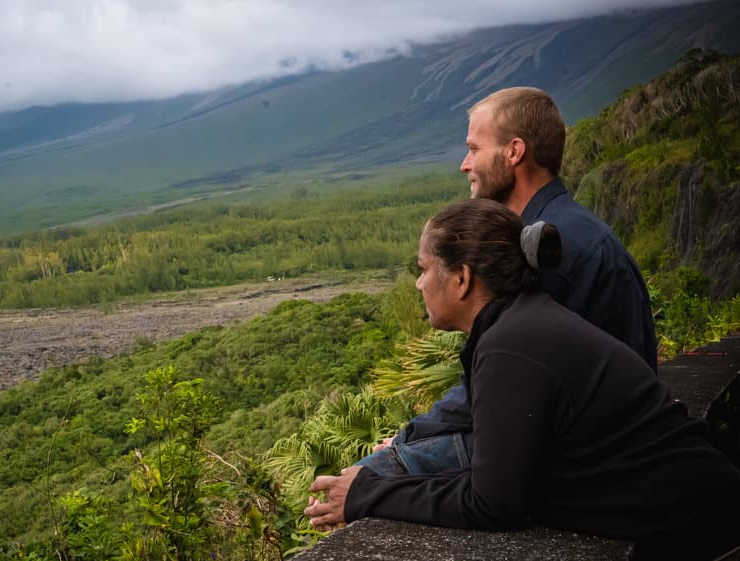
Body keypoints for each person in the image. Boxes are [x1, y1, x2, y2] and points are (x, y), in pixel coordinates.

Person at [305, 199, 740, 560]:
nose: (418, 283)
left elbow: (493, 504)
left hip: (702, 533)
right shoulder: (524, 324)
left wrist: (369, 494)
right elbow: (502, 478)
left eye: (422, 268)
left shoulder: (510, 346)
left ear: (461, 279)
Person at [372, 86, 657, 464]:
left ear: (514, 152)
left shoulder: (553, 252)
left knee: (376, 475)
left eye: (474, 149)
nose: (464, 164)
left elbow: (502, 375)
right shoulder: (565, 229)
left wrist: (405, 440)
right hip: (609, 441)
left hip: (594, 458)